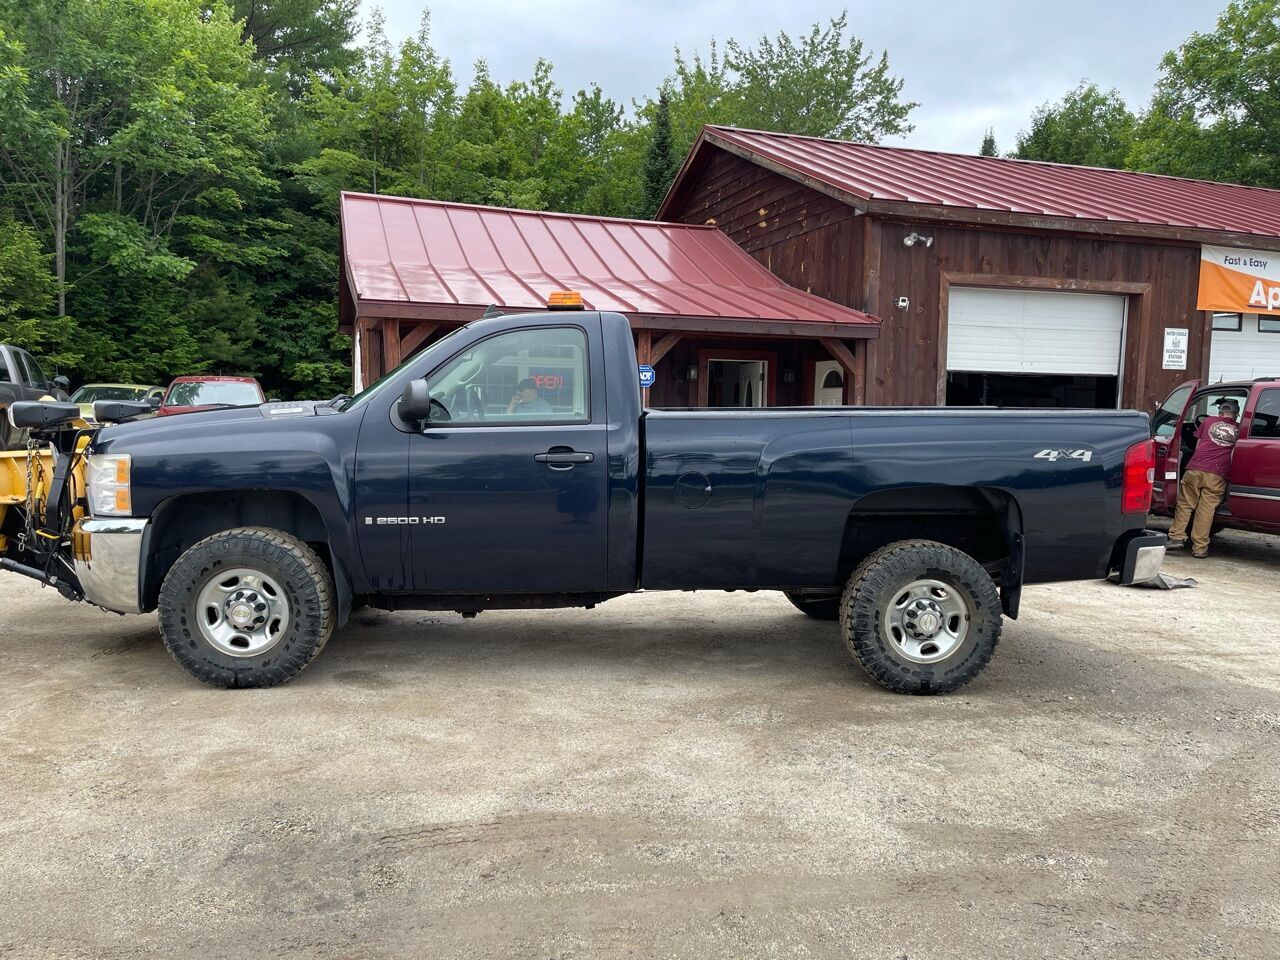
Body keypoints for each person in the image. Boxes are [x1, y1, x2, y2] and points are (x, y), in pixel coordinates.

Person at [1168, 397, 1240, 559]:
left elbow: (1199, 445)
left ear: (1220, 412)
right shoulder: (1239, 428)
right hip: (1218, 473)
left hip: (1195, 468)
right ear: (1236, 415)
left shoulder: (1208, 422)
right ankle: (1199, 549)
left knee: (1185, 504)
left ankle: (1176, 537)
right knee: (1206, 510)